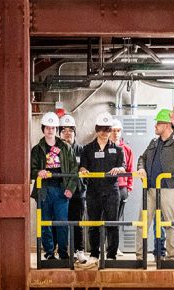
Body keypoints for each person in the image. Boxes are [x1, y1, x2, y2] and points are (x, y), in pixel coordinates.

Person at [136, 108, 174, 263]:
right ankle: (140, 257)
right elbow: (142, 157)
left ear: (167, 125)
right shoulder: (153, 142)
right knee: (142, 223)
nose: (155, 126)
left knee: (169, 223)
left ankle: (170, 257)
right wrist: (141, 168)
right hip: (150, 189)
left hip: (169, 188)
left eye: (158, 123)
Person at [30, 111, 77, 261]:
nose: (50, 130)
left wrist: (70, 188)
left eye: (53, 128)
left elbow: (74, 169)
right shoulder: (37, 150)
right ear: (43, 129)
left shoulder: (66, 147)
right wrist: (39, 172)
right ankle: (49, 252)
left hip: (62, 190)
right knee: (45, 223)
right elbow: (31, 171)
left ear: (57, 130)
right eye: (47, 127)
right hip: (44, 191)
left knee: (62, 222)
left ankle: (63, 253)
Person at [80, 111, 125, 260]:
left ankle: (111, 255)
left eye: (108, 129)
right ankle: (94, 254)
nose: (105, 133)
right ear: (96, 129)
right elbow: (82, 167)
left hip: (112, 191)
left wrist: (119, 169)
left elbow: (123, 166)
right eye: (102, 129)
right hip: (93, 191)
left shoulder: (118, 150)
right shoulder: (87, 149)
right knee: (94, 224)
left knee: (112, 224)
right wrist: (83, 169)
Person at [58, 113, 88, 264]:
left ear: (75, 133)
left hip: (78, 193)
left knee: (77, 223)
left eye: (70, 130)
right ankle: (62, 251)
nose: (67, 133)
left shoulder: (82, 151)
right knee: (61, 223)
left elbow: (88, 172)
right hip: (60, 193)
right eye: (64, 130)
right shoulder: (55, 152)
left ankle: (79, 251)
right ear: (59, 133)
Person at [109, 117, 134, 227]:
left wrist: (128, 188)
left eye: (118, 130)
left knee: (116, 222)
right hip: (106, 188)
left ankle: (112, 244)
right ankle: (102, 244)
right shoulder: (103, 148)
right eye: (113, 130)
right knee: (104, 221)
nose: (116, 133)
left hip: (121, 188)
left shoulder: (127, 150)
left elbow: (130, 170)